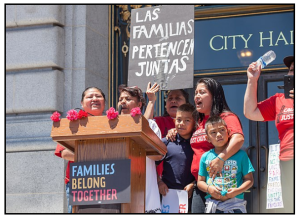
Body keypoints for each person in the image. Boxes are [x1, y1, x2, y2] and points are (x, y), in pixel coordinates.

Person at [167, 78, 244, 213]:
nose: (197, 96)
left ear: (214, 95)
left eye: (202, 92)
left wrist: (220, 159)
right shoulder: (199, 122)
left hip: (220, 184)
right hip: (200, 185)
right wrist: (175, 130)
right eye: (196, 93)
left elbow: (238, 139)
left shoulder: (226, 117)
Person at [244, 56, 294, 213]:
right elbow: (250, 112)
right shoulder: (279, 100)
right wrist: (252, 80)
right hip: (287, 161)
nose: (293, 73)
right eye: (292, 70)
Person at [54, 87, 106, 213]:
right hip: (80, 183)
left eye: (98, 96)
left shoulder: (114, 122)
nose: (94, 99)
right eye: (90, 97)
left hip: (108, 183)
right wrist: (95, 155)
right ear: (82, 103)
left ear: (104, 102)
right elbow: (64, 152)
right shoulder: (73, 122)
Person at [118, 86, 162, 213]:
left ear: (139, 104)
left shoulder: (151, 125)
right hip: (117, 192)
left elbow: (157, 156)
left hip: (145, 193)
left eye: (128, 98)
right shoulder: (111, 126)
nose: (123, 102)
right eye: (120, 99)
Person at [197, 116, 254, 213]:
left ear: (228, 132)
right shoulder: (205, 157)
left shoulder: (241, 155)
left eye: (222, 130)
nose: (219, 134)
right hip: (213, 206)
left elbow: (249, 180)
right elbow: (200, 182)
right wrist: (209, 189)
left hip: (236, 206)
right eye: (213, 132)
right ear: (208, 138)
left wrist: (237, 191)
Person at [156, 103, 196, 212]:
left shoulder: (197, 144)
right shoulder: (166, 142)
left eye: (187, 120)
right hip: (167, 195)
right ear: (174, 121)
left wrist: (193, 185)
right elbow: (150, 165)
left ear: (194, 123)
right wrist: (159, 182)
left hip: (191, 195)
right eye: (179, 120)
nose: (182, 123)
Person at [146, 84, 190, 177]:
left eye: (178, 98)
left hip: (186, 180)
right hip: (160, 181)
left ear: (186, 104)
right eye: (170, 98)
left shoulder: (194, 123)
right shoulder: (158, 121)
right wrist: (151, 100)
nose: (173, 101)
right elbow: (144, 127)